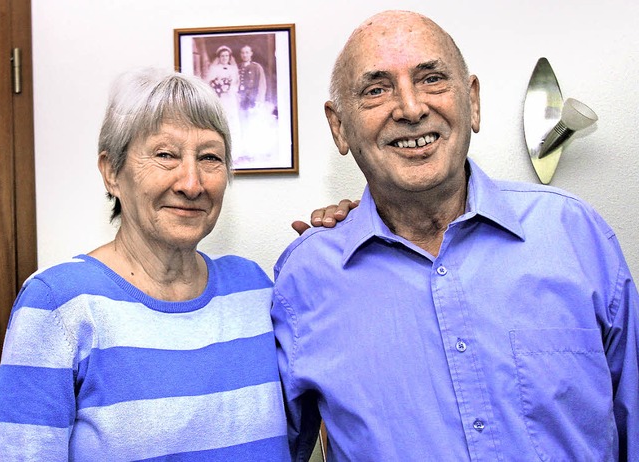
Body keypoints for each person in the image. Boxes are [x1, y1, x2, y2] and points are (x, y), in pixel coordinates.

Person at [271, 9, 638, 462]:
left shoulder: (575, 235)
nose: (409, 108)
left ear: (473, 101)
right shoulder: (305, 278)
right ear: (339, 126)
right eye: (376, 89)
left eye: (431, 79)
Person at [0, 68, 304, 460]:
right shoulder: (58, 303)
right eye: (165, 155)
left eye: (210, 157)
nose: (191, 183)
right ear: (112, 172)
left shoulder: (254, 287)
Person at [207, 45, 242, 155]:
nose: (224, 58)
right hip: (219, 98)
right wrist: (219, 88)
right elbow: (210, 83)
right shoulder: (214, 69)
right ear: (219, 57)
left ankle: (235, 151)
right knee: (221, 120)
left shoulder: (233, 69)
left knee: (232, 121)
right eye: (222, 56)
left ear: (229, 57)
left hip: (230, 98)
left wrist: (229, 89)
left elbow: (236, 84)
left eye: (226, 55)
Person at [238, 44, 267, 119]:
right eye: (243, 53)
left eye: (247, 52)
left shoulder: (257, 67)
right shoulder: (237, 67)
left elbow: (262, 85)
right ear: (240, 54)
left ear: (251, 53)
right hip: (240, 100)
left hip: (253, 99)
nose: (244, 55)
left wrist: (259, 100)